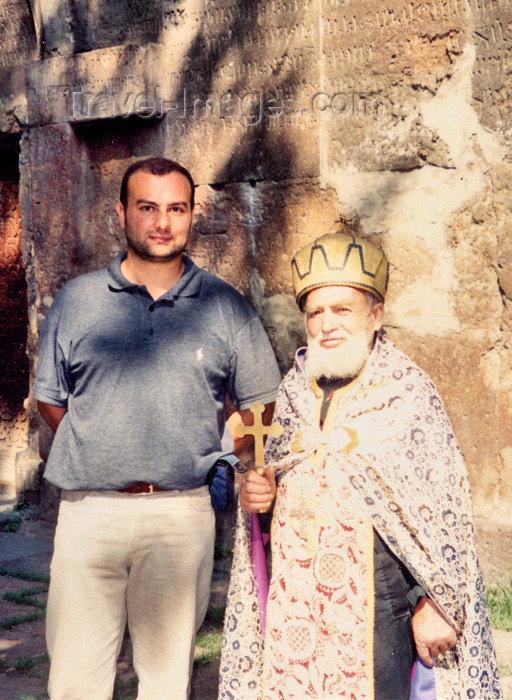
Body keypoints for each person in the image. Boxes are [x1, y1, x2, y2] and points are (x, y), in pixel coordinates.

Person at [33, 157, 281, 700]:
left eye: (176, 209)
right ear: (122, 213)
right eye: (147, 208)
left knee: (167, 681)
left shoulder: (224, 307)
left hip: (181, 515)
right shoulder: (77, 302)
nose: (162, 223)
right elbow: (49, 400)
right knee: (75, 680)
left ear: (193, 215)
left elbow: (262, 406)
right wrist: (101, 439)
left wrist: (229, 452)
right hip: (89, 513)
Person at [219, 232, 503, 699]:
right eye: (315, 312)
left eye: (342, 309)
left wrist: (433, 602)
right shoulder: (291, 394)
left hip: (378, 612)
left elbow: (441, 521)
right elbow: (274, 498)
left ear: (376, 314)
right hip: (295, 612)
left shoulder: (408, 395)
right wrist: (261, 501)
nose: (327, 324)